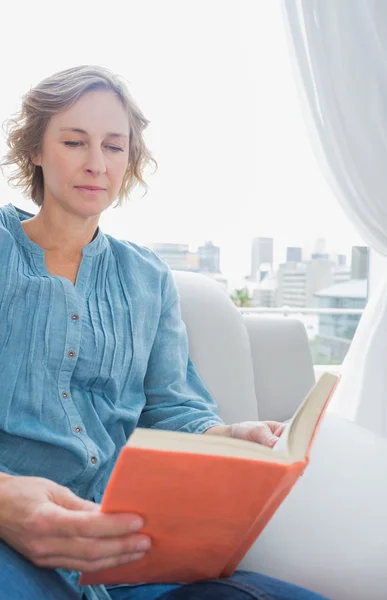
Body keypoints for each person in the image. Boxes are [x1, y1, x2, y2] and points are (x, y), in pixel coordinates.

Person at [0, 66, 328, 600]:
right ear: (35, 149)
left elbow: (173, 410)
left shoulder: (147, 277)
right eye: (73, 142)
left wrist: (232, 436)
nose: (95, 164)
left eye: (113, 147)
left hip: (129, 551)